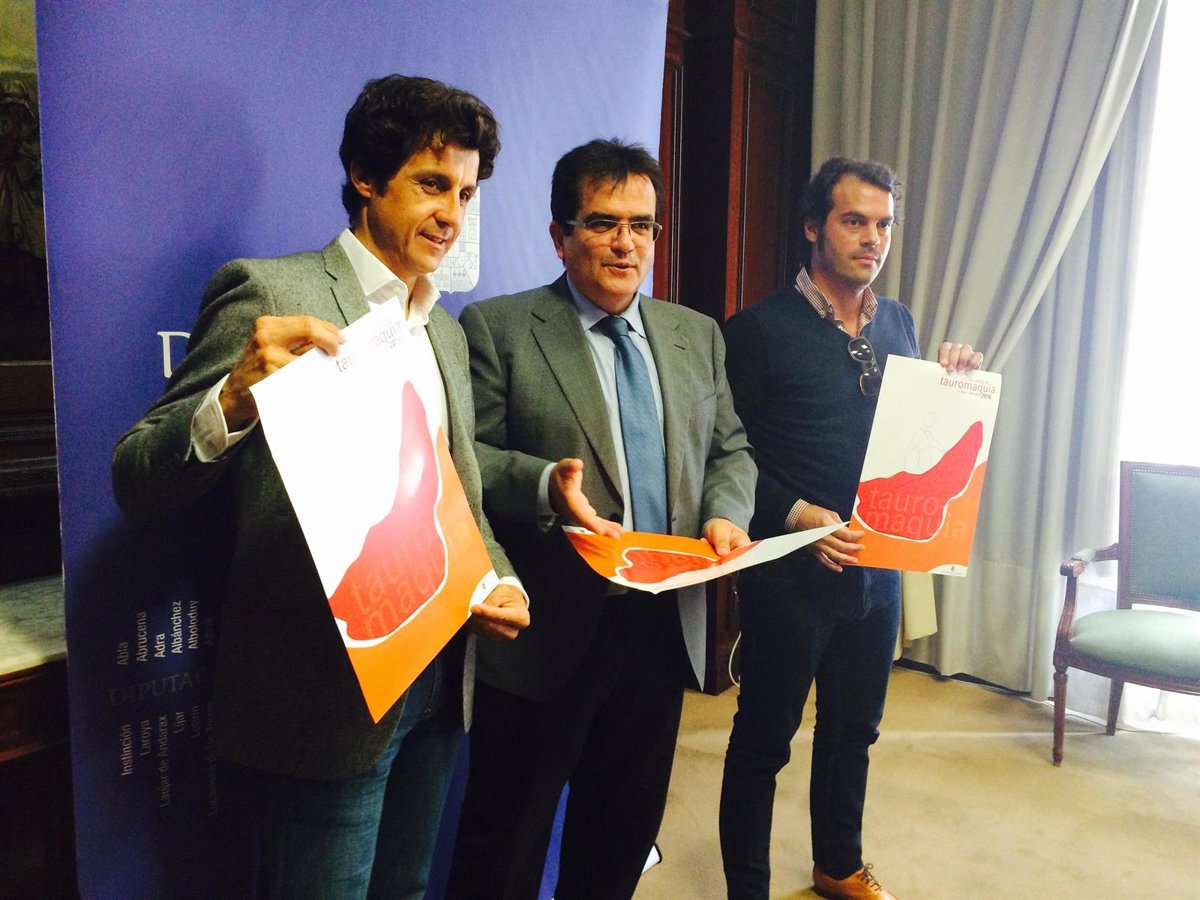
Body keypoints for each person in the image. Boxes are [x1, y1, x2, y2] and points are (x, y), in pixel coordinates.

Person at [110, 75, 529, 900]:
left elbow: (458, 493)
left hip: (438, 684)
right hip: (320, 700)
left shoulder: (445, 330)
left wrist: (498, 578)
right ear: (366, 176)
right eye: (432, 183)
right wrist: (231, 400)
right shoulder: (272, 293)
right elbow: (136, 479)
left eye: (466, 193)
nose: (452, 213)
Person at [445, 138, 757, 900]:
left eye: (642, 225)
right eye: (603, 223)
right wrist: (544, 484)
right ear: (561, 235)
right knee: (504, 848)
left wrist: (725, 513)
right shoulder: (499, 328)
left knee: (619, 838)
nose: (626, 243)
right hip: (545, 632)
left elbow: (731, 450)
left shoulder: (695, 334)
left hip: (660, 626)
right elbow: (465, 460)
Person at [718, 157, 984, 900]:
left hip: (878, 565)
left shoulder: (897, 321)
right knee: (764, 739)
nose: (873, 238)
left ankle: (837, 863)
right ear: (813, 227)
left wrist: (954, 380)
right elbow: (726, 454)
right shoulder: (757, 331)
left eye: (884, 224)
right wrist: (795, 512)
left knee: (854, 728)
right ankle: (747, 889)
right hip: (791, 572)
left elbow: (913, 438)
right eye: (854, 221)